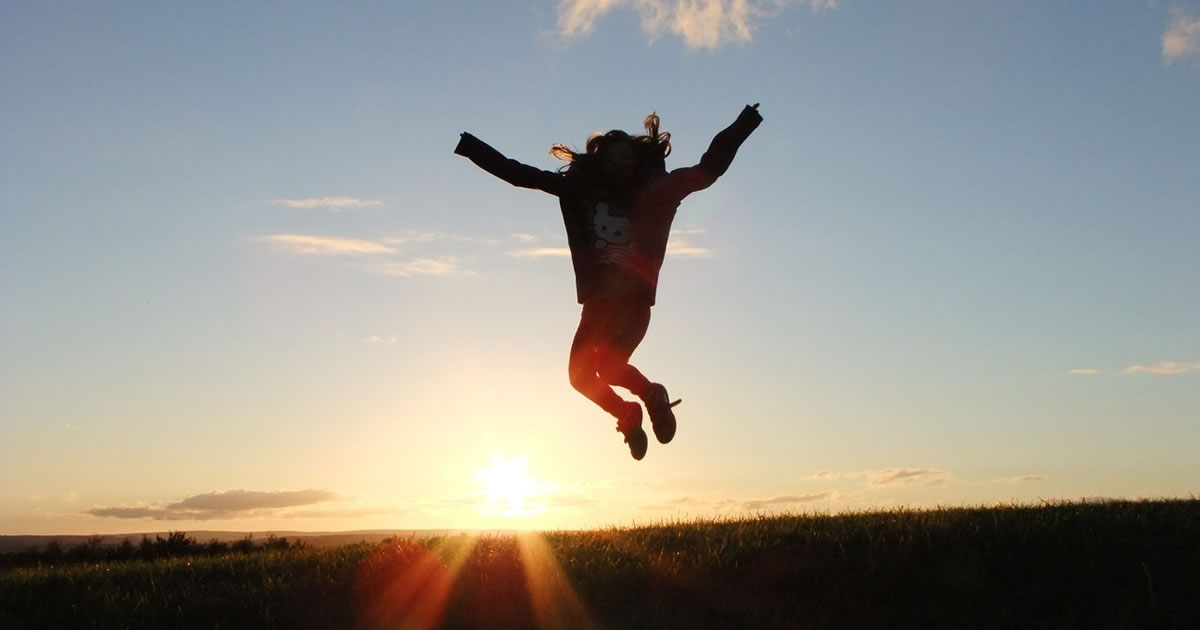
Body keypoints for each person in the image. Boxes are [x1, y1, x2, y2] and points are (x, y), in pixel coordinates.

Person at [454, 104, 763, 460]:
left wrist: (744, 123)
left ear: (636, 161)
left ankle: (651, 397)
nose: (618, 163)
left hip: (633, 301)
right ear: (599, 163)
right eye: (610, 157)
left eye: (625, 156)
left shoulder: (660, 191)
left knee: (609, 367)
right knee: (582, 375)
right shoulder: (579, 191)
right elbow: (521, 174)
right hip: (599, 305)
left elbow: (707, 170)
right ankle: (631, 411)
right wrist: (471, 147)